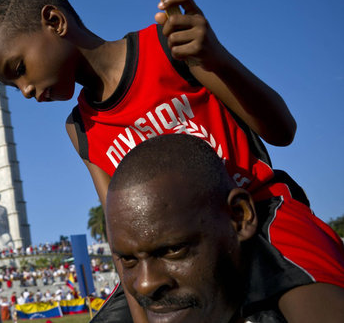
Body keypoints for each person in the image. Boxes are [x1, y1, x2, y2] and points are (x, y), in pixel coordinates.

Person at [0, 0, 344, 322]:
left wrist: (216, 58)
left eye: (19, 69)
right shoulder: (81, 128)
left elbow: (282, 130)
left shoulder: (170, 45)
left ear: (54, 21)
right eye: (11, 84)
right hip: (165, 261)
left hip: (257, 216)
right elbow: (124, 245)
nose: (23, 90)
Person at [102, 134, 332, 322]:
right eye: (129, 260)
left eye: (173, 250)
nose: (145, 284)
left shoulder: (296, 282)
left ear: (240, 217)